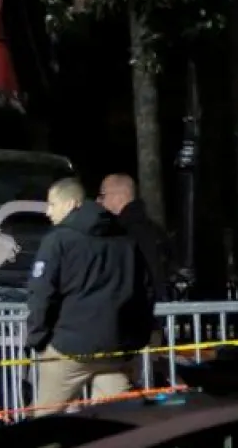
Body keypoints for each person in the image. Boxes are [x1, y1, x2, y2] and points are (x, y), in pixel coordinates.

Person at [28, 177, 155, 414]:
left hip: (68, 347)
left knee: (46, 420)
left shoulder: (58, 240)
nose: (47, 212)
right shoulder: (125, 241)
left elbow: (42, 293)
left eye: (52, 204)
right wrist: (136, 339)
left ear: (70, 204)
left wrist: (38, 338)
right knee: (116, 421)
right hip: (114, 348)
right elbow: (145, 291)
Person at [98, 173, 174, 301]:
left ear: (119, 197)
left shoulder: (120, 234)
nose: (98, 201)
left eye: (103, 195)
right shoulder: (156, 231)